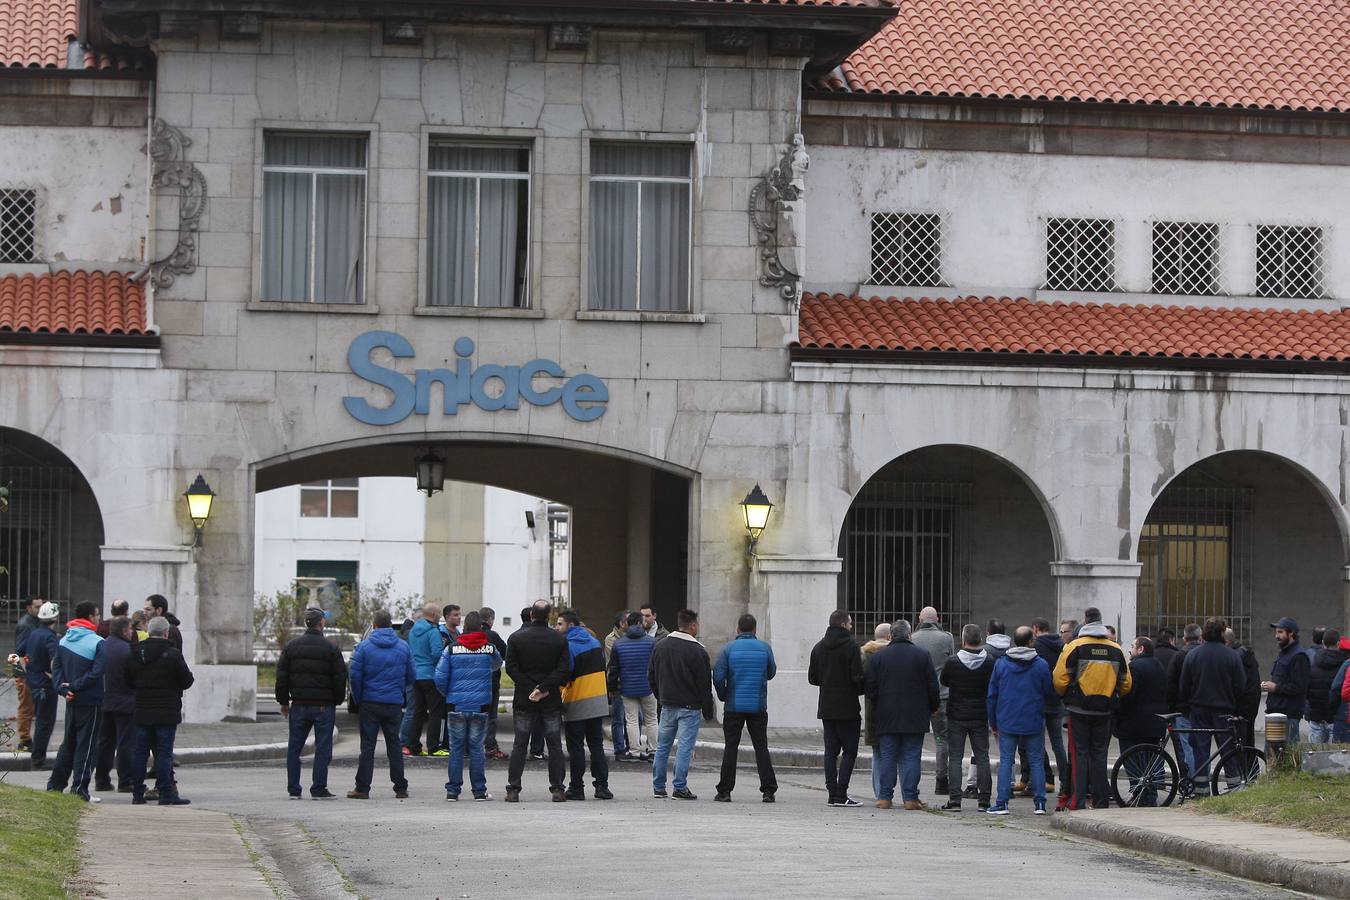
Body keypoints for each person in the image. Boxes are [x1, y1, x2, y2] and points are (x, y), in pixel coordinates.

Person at [1053, 607, 1131, 810]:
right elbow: (1126, 683)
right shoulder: (1115, 649)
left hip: (1078, 709)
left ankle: (1078, 801)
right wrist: (1110, 696)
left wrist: (1067, 696)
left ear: (1085, 622)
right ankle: (1101, 801)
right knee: (1099, 755)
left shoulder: (1074, 646)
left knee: (1079, 754)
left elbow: (1059, 679)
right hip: (1105, 711)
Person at [276, 606, 348, 799]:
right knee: (323, 748)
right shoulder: (331, 648)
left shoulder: (291, 647)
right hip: (324, 706)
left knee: (294, 748)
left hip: (299, 704)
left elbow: (282, 677)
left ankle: (293, 788)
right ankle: (318, 788)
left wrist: (284, 702)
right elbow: (340, 678)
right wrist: (337, 700)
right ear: (321, 623)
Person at [867, 619, 939, 811]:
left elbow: (870, 689)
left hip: (886, 715)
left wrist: (880, 703)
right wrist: (933, 706)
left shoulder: (878, 658)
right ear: (909, 635)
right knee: (911, 756)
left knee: (888, 756)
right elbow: (933, 686)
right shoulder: (922, 656)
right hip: (915, 715)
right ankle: (910, 798)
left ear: (890, 636)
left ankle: (884, 798)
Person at [504, 600, 571, 802]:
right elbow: (563, 669)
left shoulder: (516, 638)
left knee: (520, 744)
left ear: (531, 615)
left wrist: (531, 688)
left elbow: (511, 668)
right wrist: (543, 688)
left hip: (525, 698)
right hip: (549, 698)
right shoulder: (558, 640)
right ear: (549, 616)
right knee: (554, 744)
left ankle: (513, 789)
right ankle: (558, 788)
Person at [987, 626, 1056, 815]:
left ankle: (1002, 802)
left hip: (1007, 719)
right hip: (1033, 718)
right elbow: (1048, 690)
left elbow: (992, 695)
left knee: (1006, 760)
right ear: (1031, 642)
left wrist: (993, 722)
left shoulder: (1001, 664)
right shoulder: (1040, 664)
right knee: (1036, 760)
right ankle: (1040, 803)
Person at [347, 609, 415, 800]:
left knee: (367, 746)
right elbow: (411, 675)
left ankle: (362, 788)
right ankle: (400, 787)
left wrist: (359, 698)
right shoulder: (403, 647)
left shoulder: (364, 647)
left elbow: (355, 675)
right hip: (393, 702)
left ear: (374, 625)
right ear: (390, 624)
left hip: (370, 701)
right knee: (394, 744)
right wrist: (399, 690)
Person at [126, 616, 194, 806]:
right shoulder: (172, 654)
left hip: (142, 710)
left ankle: (137, 793)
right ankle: (166, 793)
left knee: (140, 753)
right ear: (166, 633)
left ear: (148, 631)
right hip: (167, 711)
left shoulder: (135, 652)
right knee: (164, 754)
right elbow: (187, 681)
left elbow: (128, 681)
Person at [648, 608, 715, 800]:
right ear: (693, 625)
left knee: (663, 746)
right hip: (690, 707)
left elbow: (651, 675)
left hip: (668, 704)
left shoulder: (660, 646)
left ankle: (658, 787)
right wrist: (708, 711)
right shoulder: (698, 651)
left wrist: (660, 696)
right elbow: (704, 685)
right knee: (685, 747)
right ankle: (680, 786)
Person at [435, 610, 502, 802]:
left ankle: (453, 791)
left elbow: (439, 676)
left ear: (464, 628)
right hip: (480, 705)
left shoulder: (451, 648)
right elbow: (497, 664)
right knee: (476, 748)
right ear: (481, 627)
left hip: (456, 705)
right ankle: (479, 791)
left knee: (456, 748)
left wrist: (448, 694)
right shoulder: (489, 649)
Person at [713, 613, 778, 803]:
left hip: (734, 706)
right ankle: (768, 790)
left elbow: (717, 676)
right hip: (757, 706)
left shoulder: (728, 649)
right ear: (755, 630)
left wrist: (724, 695)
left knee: (731, 747)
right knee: (761, 747)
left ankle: (725, 790)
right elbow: (772, 672)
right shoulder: (765, 648)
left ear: (738, 629)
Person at [46, 601, 107, 802]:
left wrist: (64, 689)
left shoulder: (64, 641)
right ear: (90, 617)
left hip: (71, 699)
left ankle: (55, 785)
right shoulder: (98, 642)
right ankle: (79, 789)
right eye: (97, 615)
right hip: (90, 699)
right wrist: (75, 686)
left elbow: (56, 670)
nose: (99, 619)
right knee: (87, 745)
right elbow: (97, 672)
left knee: (68, 743)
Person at [1179, 617, 1247, 790]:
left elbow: (1184, 685)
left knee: (1200, 752)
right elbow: (1240, 685)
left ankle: (1201, 790)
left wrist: (1190, 705)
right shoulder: (1232, 655)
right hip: (1224, 711)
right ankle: (1234, 788)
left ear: (1204, 633)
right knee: (1228, 751)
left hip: (1199, 710)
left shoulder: (1193, 655)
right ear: (1223, 633)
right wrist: (1234, 705)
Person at [808, 609, 864, 807]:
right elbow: (857, 676)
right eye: (849, 623)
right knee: (849, 751)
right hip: (848, 706)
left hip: (826, 706)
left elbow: (812, 678)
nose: (851, 626)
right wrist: (859, 688)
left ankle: (832, 793)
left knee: (830, 751)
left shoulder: (819, 647)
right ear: (842, 625)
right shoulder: (851, 646)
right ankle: (842, 793)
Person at [556, 609, 612, 801]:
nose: (557, 627)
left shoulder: (568, 646)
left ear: (570, 626)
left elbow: (565, 674)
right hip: (597, 701)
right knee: (596, 745)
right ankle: (602, 786)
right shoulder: (595, 642)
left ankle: (577, 788)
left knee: (576, 747)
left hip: (577, 701)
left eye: (559, 624)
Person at [938, 624, 994, 811]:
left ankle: (955, 800)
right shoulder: (989, 661)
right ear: (980, 639)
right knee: (982, 756)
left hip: (957, 714)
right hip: (980, 714)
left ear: (963, 640)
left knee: (955, 757)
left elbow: (944, 680)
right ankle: (984, 800)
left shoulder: (953, 662)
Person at [1114, 636, 1168, 806]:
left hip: (1134, 724)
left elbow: (1129, 695)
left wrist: (1118, 711)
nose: (1129, 650)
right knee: (1148, 765)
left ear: (1141, 649)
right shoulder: (1158, 665)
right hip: (1155, 724)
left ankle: (1139, 795)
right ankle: (1149, 796)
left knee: (1133, 763)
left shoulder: (1135, 667)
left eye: (1132, 646)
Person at [911, 607, 954, 795]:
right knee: (941, 739)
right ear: (938, 618)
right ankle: (941, 780)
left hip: (918, 698)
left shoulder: (912, 638)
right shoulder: (947, 638)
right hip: (942, 696)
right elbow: (951, 663)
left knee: (914, 741)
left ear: (920, 619)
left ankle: (912, 783)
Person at [1030, 617, 1072, 808]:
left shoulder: (1037, 646)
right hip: (1057, 700)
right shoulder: (1062, 644)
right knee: (1058, 744)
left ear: (1036, 629)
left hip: (1039, 701)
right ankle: (1065, 782)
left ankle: (1041, 783)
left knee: (1037, 745)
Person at [94, 616, 136, 794]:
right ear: (125, 630)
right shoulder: (128, 650)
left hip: (105, 701)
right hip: (125, 702)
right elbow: (134, 677)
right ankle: (125, 780)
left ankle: (101, 779)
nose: (133, 633)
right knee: (125, 743)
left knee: (105, 742)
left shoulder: (101, 646)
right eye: (131, 630)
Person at [607, 611, 657, 761]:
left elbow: (613, 669)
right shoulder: (651, 642)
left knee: (631, 720)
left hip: (627, 687)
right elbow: (655, 666)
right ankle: (653, 751)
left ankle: (634, 751)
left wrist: (612, 688)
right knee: (652, 719)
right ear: (641, 623)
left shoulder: (618, 643)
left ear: (627, 624)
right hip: (648, 687)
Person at [22, 601, 60, 769]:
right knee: (45, 723)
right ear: (55, 618)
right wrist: (56, 677)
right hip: (46, 685)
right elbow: (55, 661)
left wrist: (29, 673)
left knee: (40, 721)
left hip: (34, 683)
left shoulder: (34, 634)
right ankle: (38, 759)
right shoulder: (51, 637)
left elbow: (22, 653)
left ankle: (37, 757)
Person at [1263, 617, 1310, 744]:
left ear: (1291, 634)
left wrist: (1275, 688)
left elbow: (1299, 687)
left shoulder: (1299, 656)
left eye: (1280, 632)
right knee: (1273, 753)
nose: (1276, 636)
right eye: (1276, 632)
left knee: (1288, 755)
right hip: (1277, 712)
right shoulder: (1285, 653)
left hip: (1288, 714)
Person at [406, 603, 445, 757]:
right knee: (435, 712)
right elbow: (437, 654)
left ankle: (414, 746)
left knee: (418, 712)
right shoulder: (433, 632)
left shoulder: (413, 631)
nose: (440, 617)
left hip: (416, 675)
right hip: (430, 676)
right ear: (434, 614)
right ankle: (433, 747)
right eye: (440, 614)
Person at [1165, 623, 1202, 779]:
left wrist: (1172, 706)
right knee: (1200, 747)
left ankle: (1192, 782)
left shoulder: (1179, 656)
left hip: (1183, 710)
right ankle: (1200, 781)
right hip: (1201, 708)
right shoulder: (1202, 655)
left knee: (1188, 747)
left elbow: (1171, 684)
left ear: (1184, 638)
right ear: (1200, 638)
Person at [861, 623, 891, 798]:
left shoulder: (864, 653)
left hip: (872, 708)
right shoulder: (893, 654)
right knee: (895, 752)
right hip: (893, 707)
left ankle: (879, 791)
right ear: (889, 637)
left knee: (877, 752)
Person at [1307, 629, 1348, 745]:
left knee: (1314, 758)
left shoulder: (1313, 663)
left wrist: (1309, 712)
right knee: (1334, 758)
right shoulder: (1344, 666)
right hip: (1335, 718)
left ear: (1323, 643)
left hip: (1316, 717)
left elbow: (1307, 691)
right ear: (1339, 644)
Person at [11, 596, 41, 752]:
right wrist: (23, 675)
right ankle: (24, 739)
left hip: (28, 670)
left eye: (41, 606)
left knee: (30, 706)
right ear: (29, 607)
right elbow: (19, 651)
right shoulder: (26, 625)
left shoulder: (34, 622)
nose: (40, 609)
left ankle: (26, 738)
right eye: (37, 606)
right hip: (24, 670)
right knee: (26, 706)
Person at [1225, 628, 1263, 748]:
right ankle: (1252, 766)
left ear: (1226, 641)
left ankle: (1244, 766)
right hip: (1251, 704)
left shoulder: (1234, 657)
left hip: (1240, 706)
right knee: (1248, 741)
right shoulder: (1246, 654)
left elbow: (1235, 684)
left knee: (1239, 742)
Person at [480, 607, 509, 761]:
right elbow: (505, 654)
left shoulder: (466, 635)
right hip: (491, 681)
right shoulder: (492, 636)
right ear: (490, 619)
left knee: (475, 714)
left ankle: (470, 747)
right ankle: (490, 746)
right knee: (491, 716)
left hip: (471, 682)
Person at [604, 611, 630, 760]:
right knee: (618, 717)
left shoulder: (632, 637)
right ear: (621, 624)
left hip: (631, 683)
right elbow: (615, 663)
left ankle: (632, 746)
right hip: (618, 682)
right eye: (628, 621)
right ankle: (619, 749)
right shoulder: (611, 639)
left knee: (633, 719)